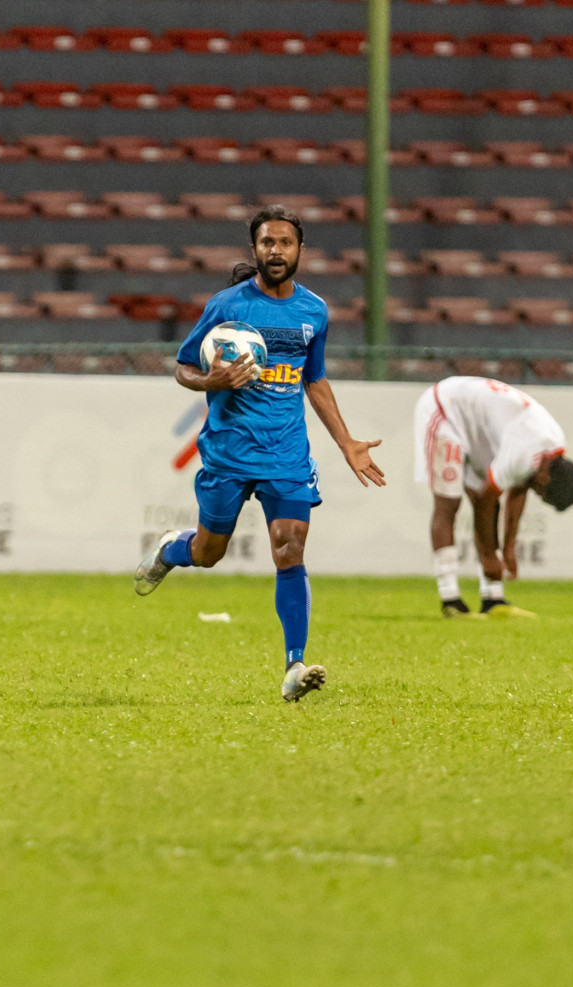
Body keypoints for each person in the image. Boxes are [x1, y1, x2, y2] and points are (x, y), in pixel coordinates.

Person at [134, 205, 386, 702]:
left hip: (287, 454)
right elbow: (183, 367)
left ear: (299, 250)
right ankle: (171, 549)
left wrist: (347, 443)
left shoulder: (313, 311)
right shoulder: (227, 306)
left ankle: (294, 666)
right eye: (267, 242)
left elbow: (313, 379)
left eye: (285, 243)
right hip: (229, 451)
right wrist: (211, 379)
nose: (276, 250)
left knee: (289, 547)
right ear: (255, 249)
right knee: (209, 553)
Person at [413, 375, 573, 618]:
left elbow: (518, 489)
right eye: (543, 495)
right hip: (447, 409)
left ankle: (492, 599)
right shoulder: (525, 450)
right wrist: (490, 555)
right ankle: (450, 598)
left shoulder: (550, 451)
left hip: (479, 428)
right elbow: (487, 500)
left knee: (483, 501)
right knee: (449, 502)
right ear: (546, 480)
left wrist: (509, 550)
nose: (537, 495)